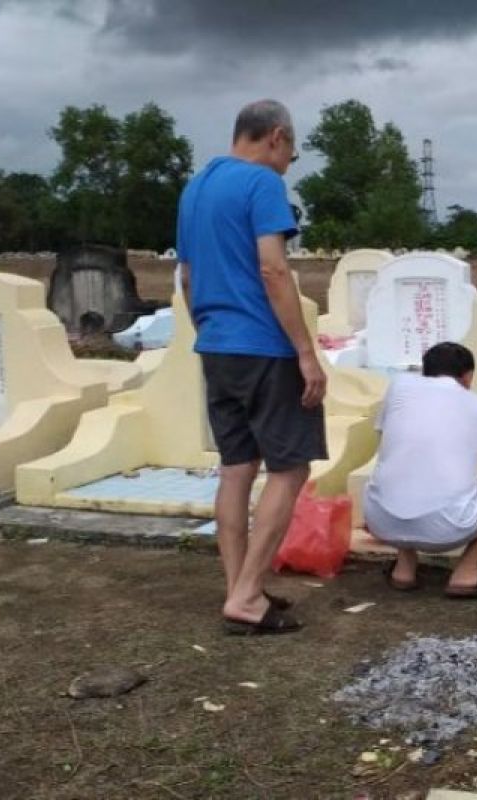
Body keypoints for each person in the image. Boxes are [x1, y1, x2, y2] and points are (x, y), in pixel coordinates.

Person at [177, 99, 327, 635]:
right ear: (277, 137)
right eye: (292, 151)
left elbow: (189, 278)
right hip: (264, 347)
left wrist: (210, 333)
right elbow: (273, 269)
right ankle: (245, 598)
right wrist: (306, 354)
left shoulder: (195, 188)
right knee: (291, 468)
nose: (289, 163)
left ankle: (241, 586)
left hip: (216, 346)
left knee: (237, 467)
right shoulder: (262, 183)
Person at [363, 342, 477, 598]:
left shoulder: (398, 387)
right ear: (468, 376)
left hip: (382, 522)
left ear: (425, 372)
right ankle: (467, 571)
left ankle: (404, 569)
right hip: (446, 531)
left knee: (404, 468)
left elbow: (386, 436)